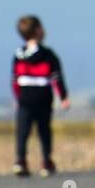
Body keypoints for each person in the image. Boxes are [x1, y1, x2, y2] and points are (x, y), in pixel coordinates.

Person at [11, 15, 70, 177]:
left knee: (22, 131)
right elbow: (56, 77)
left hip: (24, 98)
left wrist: (17, 97)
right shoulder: (48, 55)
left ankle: (20, 161)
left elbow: (15, 80)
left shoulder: (18, 55)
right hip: (43, 97)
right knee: (44, 130)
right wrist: (63, 97)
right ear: (38, 31)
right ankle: (46, 161)